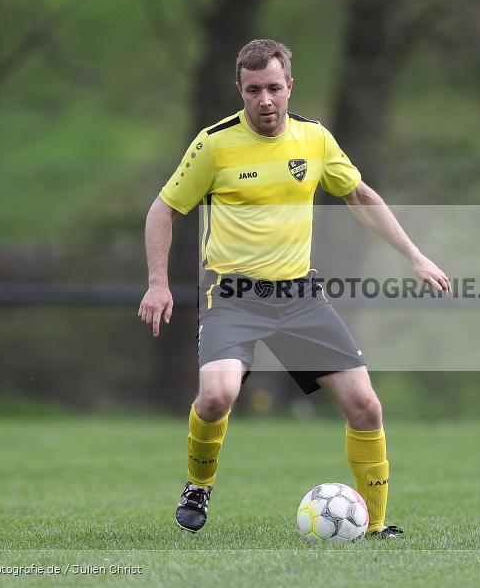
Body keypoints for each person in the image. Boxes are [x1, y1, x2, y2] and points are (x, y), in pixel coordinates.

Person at [138, 39, 449, 538]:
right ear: (239, 89)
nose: (265, 100)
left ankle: (377, 526)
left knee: (366, 406)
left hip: (299, 297)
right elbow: (163, 209)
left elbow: (360, 195)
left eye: (274, 88)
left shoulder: (314, 139)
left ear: (290, 87)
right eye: (253, 90)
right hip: (233, 296)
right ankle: (199, 484)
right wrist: (158, 283)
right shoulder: (214, 144)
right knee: (216, 397)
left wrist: (414, 255)